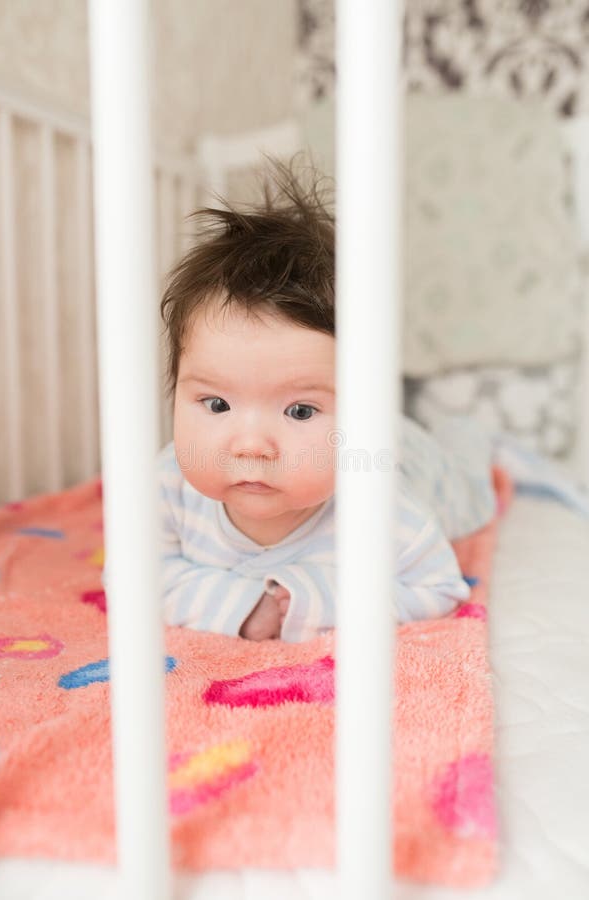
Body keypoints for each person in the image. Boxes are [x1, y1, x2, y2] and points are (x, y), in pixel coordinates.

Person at [157, 157, 477, 643]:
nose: (251, 446)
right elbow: (135, 577)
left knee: (471, 485)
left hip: (417, 463)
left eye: (300, 411)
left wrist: (323, 601)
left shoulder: (381, 508)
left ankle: (465, 437)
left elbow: (438, 586)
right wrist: (244, 607)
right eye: (217, 404)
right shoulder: (167, 488)